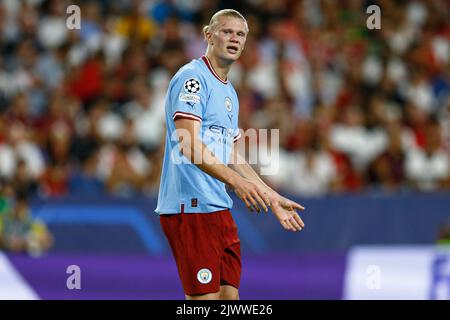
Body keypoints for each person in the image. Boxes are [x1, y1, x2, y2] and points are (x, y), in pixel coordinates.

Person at [155, 9, 306, 300]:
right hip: (192, 207)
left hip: (218, 207)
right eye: (226, 31)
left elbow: (233, 155)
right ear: (208, 35)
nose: (234, 38)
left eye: (240, 34)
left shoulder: (229, 92)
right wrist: (238, 184)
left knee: (229, 300)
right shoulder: (192, 79)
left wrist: (269, 196)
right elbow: (188, 144)